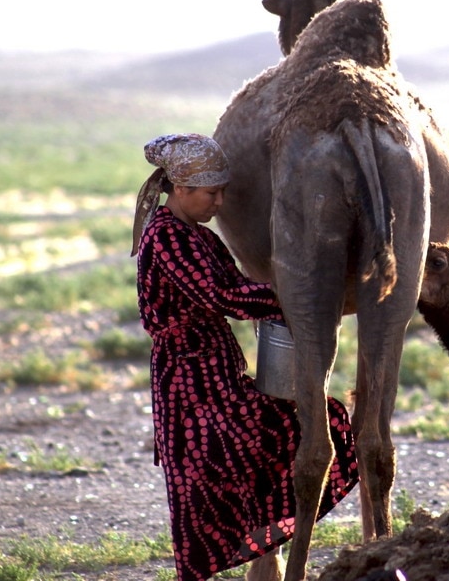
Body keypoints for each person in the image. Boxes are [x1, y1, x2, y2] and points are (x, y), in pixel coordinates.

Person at [131, 133, 359, 580]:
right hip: (189, 380)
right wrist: (293, 296)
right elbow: (225, 296)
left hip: (218, 373)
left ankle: (264, 559)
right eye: (210, 193)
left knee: (266, 452)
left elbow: (235, 290)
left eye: (221, 192)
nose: (218, 202)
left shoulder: (198, 237)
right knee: (204, 484)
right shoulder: (166, 239)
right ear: (181, 190)